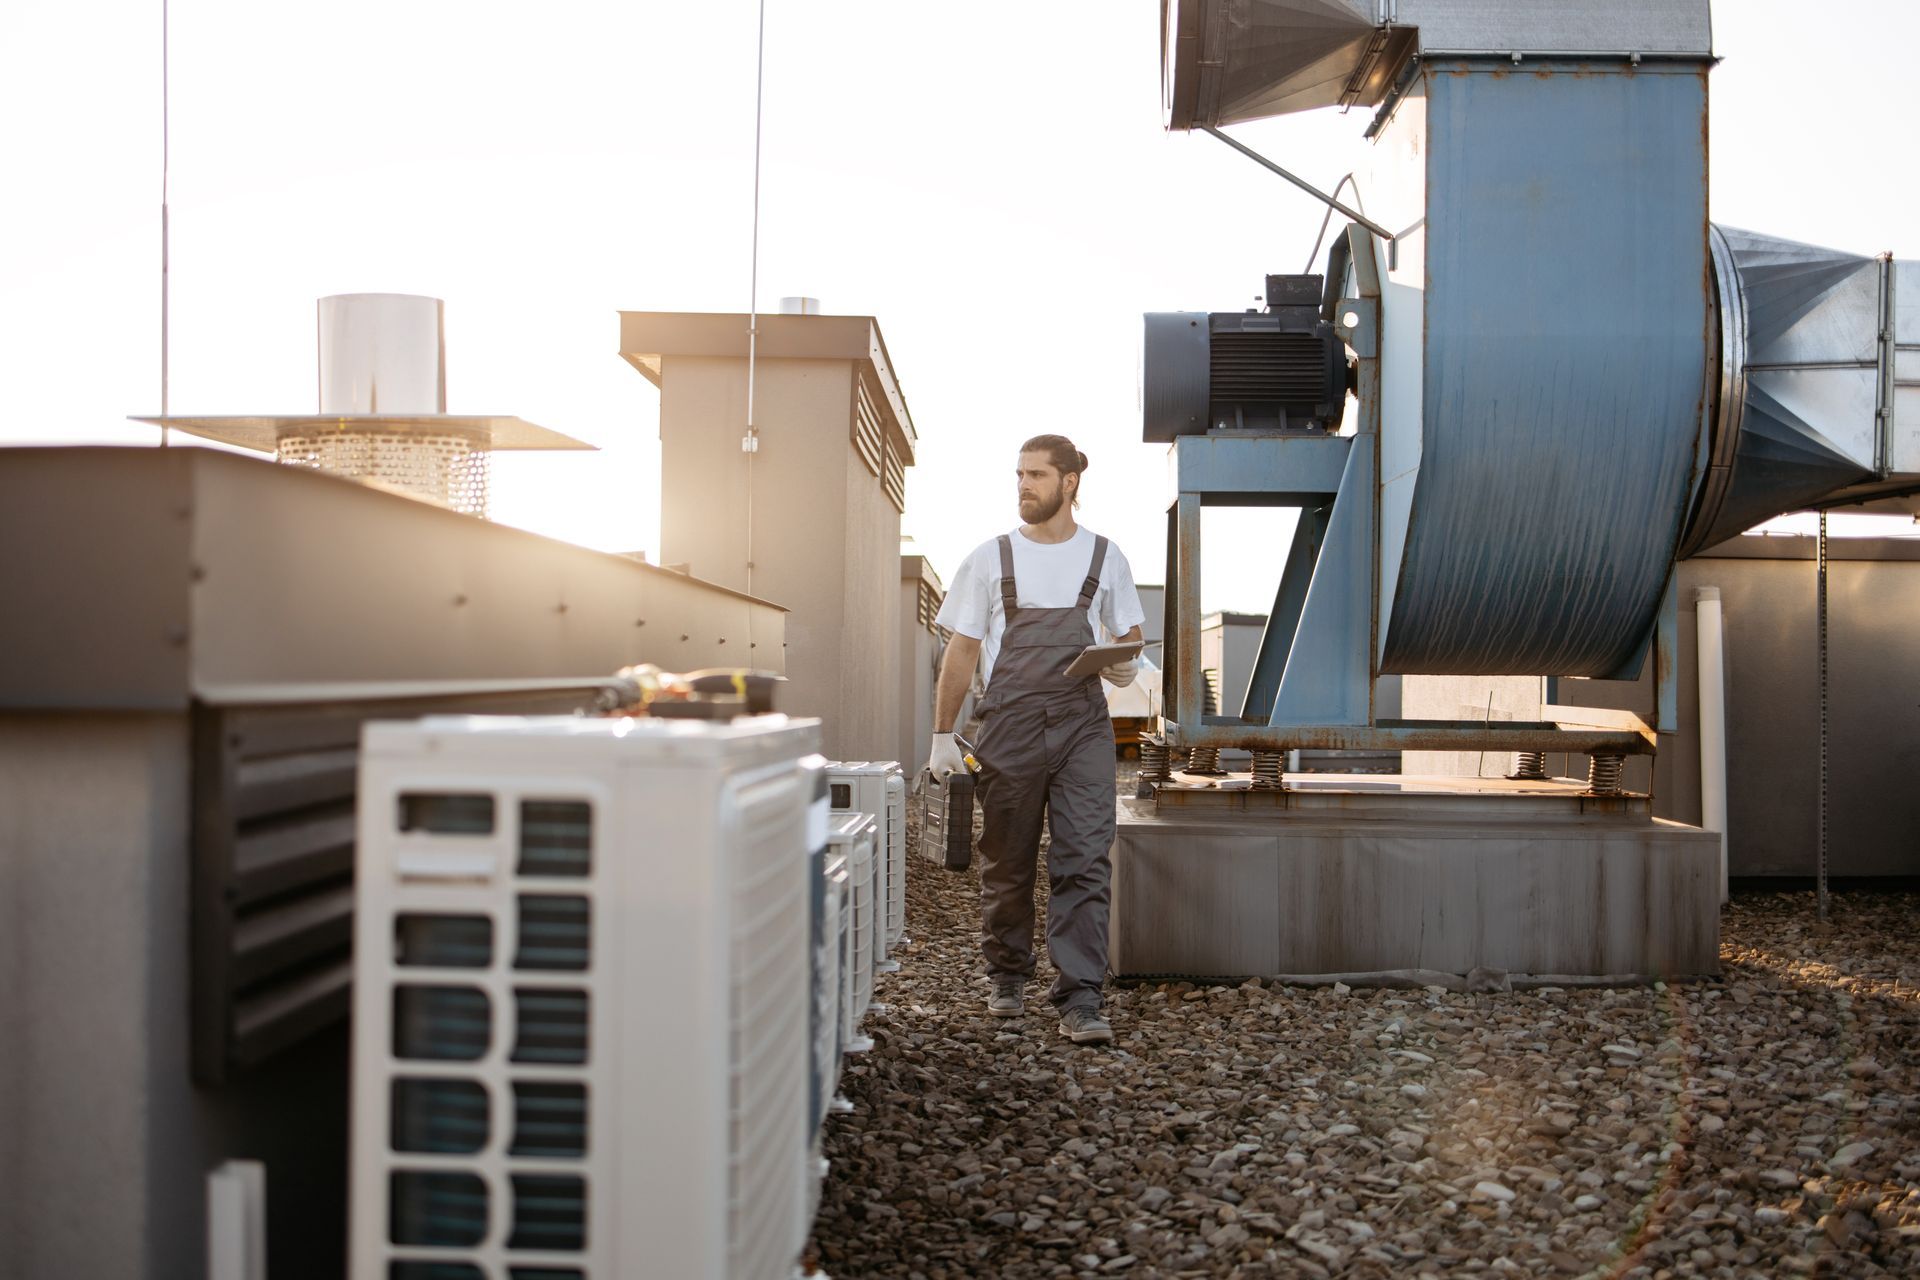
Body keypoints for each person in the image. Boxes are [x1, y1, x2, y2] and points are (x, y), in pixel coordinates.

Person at [930, 434, 1145, 1044]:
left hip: (1082, 724)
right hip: (1010, 723)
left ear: (1070, 482)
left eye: (1036, 475)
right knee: (1008, 857)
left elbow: (1128, 627)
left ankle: (1080, 996)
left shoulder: (1106, 556)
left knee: (1083, 858)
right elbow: (963, 648)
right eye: (1019, 475)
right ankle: (1007, 974)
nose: (1023, 486)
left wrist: (1123, 660)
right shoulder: (991, 557)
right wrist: (943, 734)